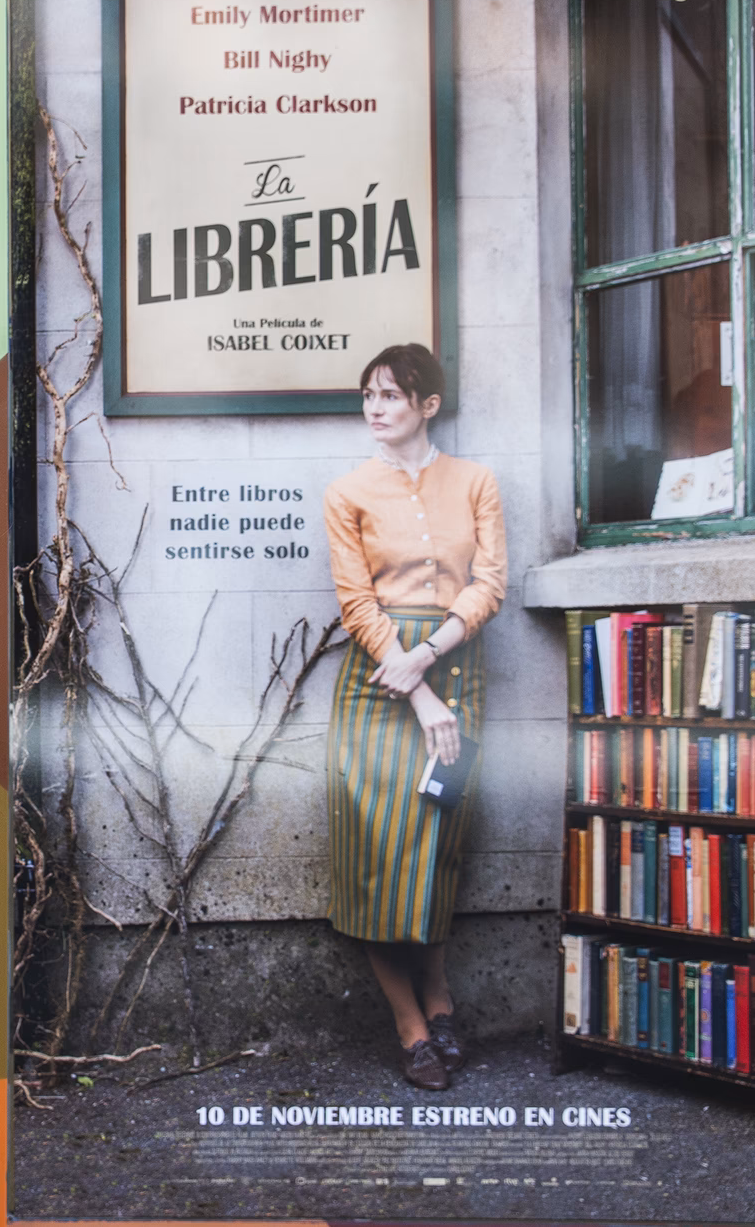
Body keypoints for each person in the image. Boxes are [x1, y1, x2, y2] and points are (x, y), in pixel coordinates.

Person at [321, 344, 507, 1092]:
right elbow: (357, 602)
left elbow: (489, 583)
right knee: (375, 855)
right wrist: (416, 684)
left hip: (452, 665)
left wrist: (429, 655)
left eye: (392, 395)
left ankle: (440, 996)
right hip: (379, 681)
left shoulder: (477, 482)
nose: (375, 407)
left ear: (428, 404)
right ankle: (411, 1026)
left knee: (436, 847)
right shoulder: (347, 492)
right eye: (368, 394)